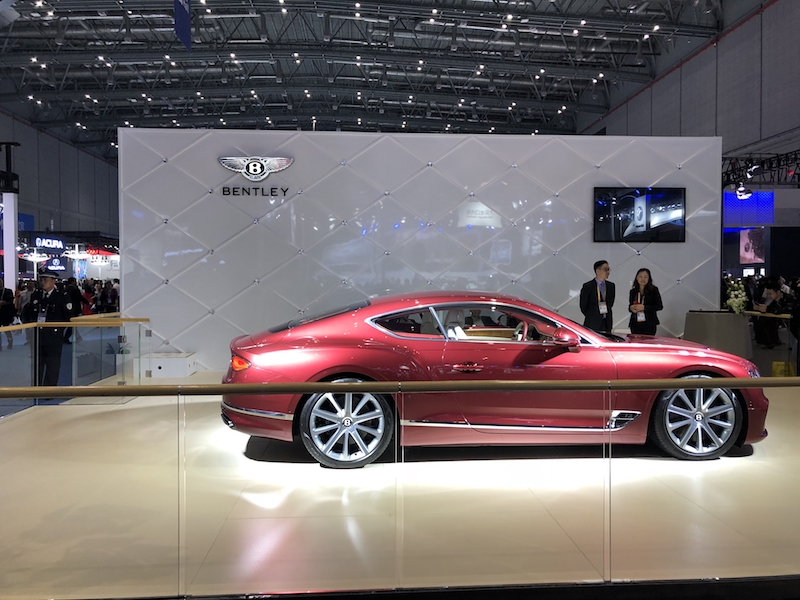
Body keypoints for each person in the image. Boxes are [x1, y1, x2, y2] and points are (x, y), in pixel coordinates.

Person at [24, 271, 73, 387]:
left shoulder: (62, 296)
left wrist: (58, 329)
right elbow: (30, 314)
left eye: (46, 280)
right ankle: (36, 388)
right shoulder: (36, 295)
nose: (43, 282)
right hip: (38, 336)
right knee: (37, 365)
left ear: (53, 281)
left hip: (53, 336)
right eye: (41, 279)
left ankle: (49, 390)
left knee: (52, 365)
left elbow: (68, 317)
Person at [753, 280, 797, 349]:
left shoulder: (789, 299)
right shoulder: (773, 301)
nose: (769, 296)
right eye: (767, 294)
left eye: (770, 294)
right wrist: (760, 308)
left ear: (778, 292)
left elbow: (784, 310)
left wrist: (767, 309)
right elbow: (771, 309)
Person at [580, 260, 615, 333]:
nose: (608, 272)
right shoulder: (588, 286)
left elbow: (610, 303)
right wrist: (593, 315)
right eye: (605, 269)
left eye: (608, 269)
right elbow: (583, 306)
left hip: (606, 322)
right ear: (597, 271)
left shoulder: (611, 286)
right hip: (592, 323)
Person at [628, 268, 664, 335]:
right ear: (636, 278)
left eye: (645, 277)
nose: (643, 279)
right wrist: (631, 308)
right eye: (640, 276)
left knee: (648, 341)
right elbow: (630, 306)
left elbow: (659, 306)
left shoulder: (654, 290)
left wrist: (644, 308)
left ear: (649, 278)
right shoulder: (633, 291)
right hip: (635, 323)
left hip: (649, 323)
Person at [0, 277, 15, 351]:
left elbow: (11, 302)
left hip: (5, 314)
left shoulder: (8, 291)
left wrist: (4, 302)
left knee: (7, 329)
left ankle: (10, 341)